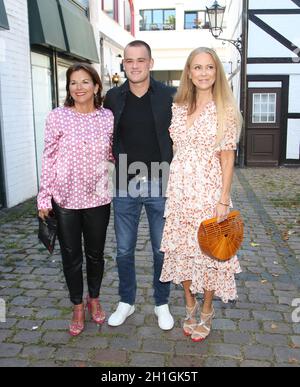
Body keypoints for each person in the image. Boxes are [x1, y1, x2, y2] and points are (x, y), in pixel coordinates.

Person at [160, 47, 243, 342]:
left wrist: (223, 198)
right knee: (181, 247)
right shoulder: (179, 106)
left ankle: (206, 310)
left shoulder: (226, 109)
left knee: (209, 251)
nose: (204, 73)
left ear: (216, 72)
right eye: (198, 67)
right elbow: (176, 149)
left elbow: (227, 158)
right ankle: (189, 303)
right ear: (189, 73)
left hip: (209, 192)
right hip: (180, 190)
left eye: (209, 67)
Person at [37, 63, 114, 336]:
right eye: (73, 82)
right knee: (71, 256)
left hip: (98, 198)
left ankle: (94, 299)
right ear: (68, 88)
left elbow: (114, 152)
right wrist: (44, 197)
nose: (79, 87)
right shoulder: (57, 117)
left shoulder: (107, 117)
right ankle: (77, 305)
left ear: (96, 86)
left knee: (95, 255)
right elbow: (48, 157)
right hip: (65, 198)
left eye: (85, 82)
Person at [104, 40, 175, 330]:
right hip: (124, 182)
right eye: (129, 60)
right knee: (124, 249)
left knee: (161, 250)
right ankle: (126, 301)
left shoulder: (169, 95)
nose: (134, 65)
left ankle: (162, 304)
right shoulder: (113, 97)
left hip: (160, 180)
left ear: (150, 63)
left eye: (140, 60)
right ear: (124, 64)